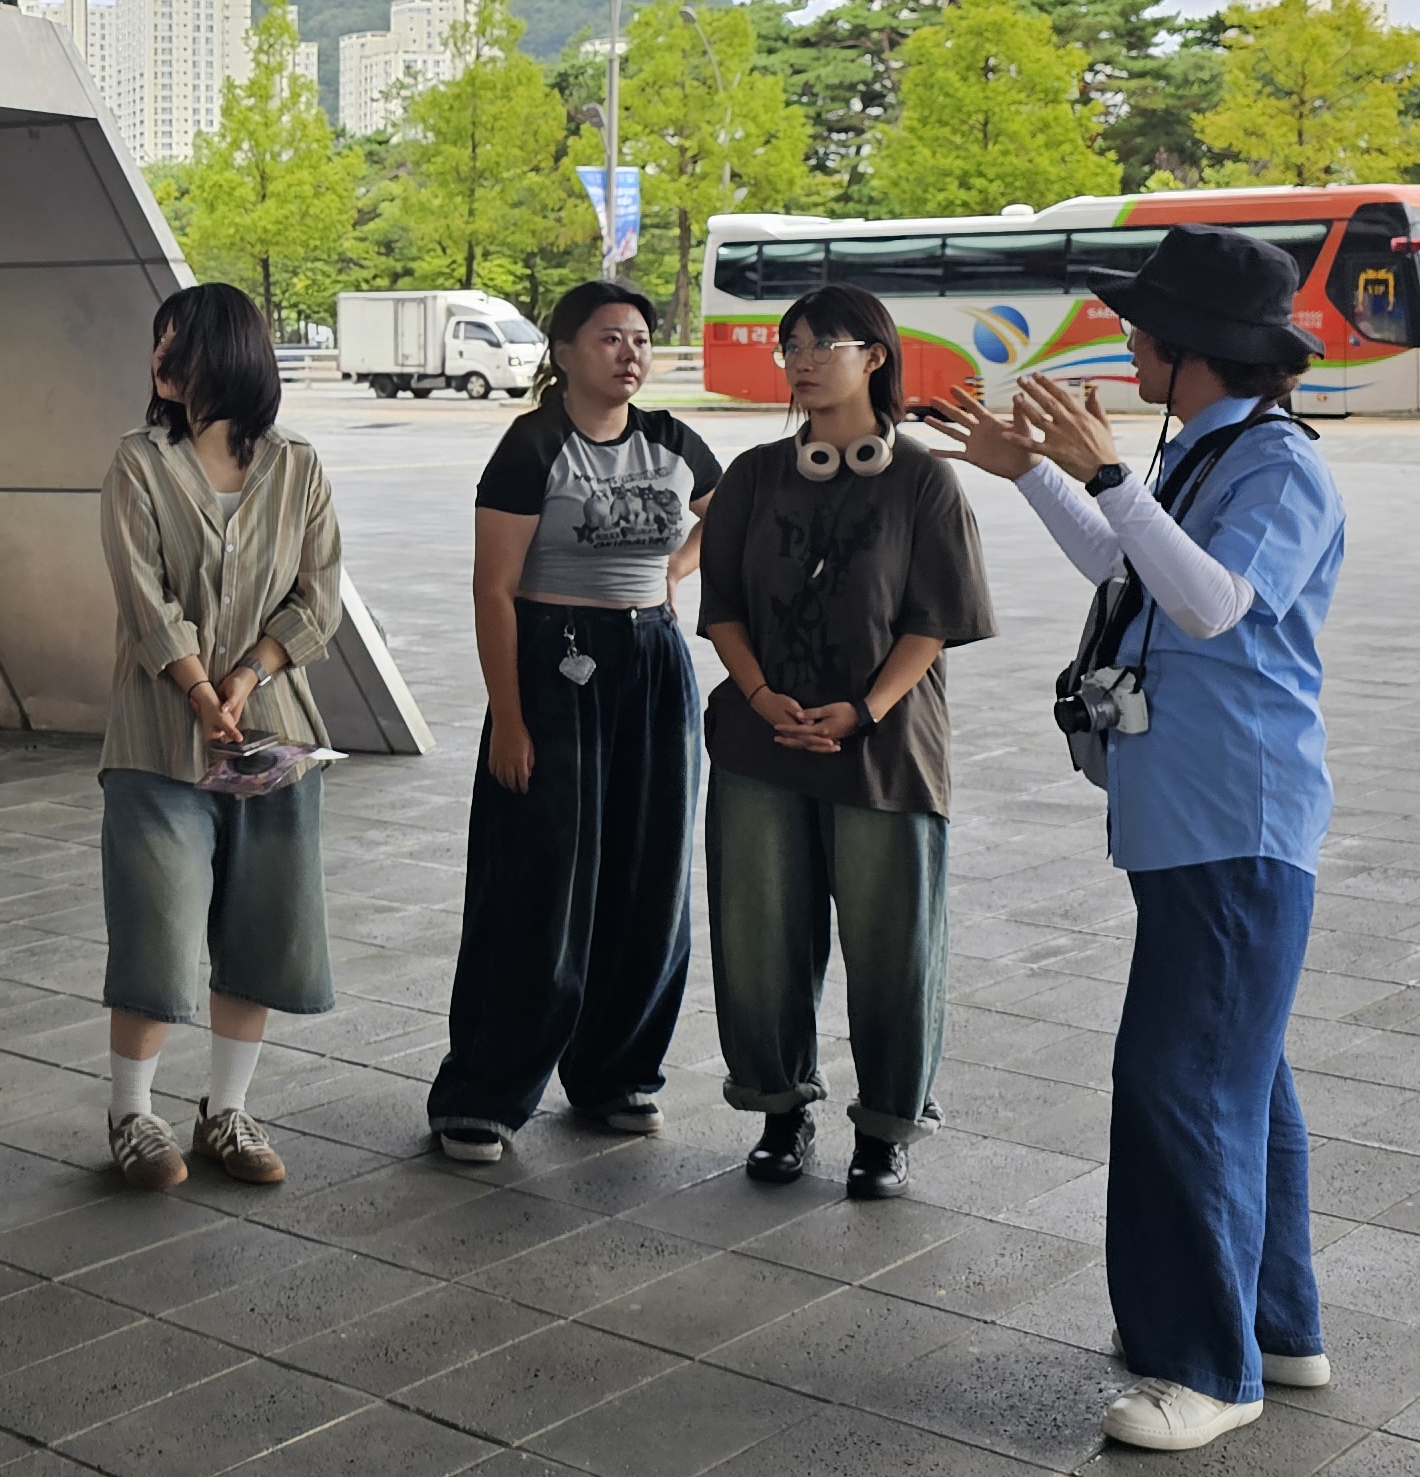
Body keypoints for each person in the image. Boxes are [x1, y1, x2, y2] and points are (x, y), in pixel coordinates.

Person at [924, 225, 1346, 1456]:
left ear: (1190, 345)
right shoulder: (1212, 448)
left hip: (1236, 821)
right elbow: (1129, 562)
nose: (1126, 342)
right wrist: (1032, 472)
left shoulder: (1278, 465)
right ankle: (1273, 1323)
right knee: (1240, 1073)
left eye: (1140, 326)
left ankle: (1201, 1367)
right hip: (1194, 817)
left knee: (1179, 1079)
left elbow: (1210, 604)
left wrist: (1106, 468)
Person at [695, 285, 994, 1205]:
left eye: (825, 342)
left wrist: (862, 710)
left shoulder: (923, 481)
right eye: (791, 344)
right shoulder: (753, 476)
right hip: (761, 743)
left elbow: (933, 620)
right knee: (759, 938)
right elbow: (722, 607)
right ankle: (780, 1109)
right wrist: (760, 697)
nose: (803, 358)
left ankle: (886, 1128)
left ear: (876, 356)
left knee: (893, 943)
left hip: (885, 750)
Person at [424, 280, 720, 1165]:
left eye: (641, 339)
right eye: (608, 338)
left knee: (650, 873)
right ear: (563, 353)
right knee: (540, 880)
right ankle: (484, 1093)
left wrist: (674, 572)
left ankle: (616, 1074)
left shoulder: (673, 440)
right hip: (556, 664)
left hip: (654, 663)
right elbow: (492, 591)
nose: (630, 354)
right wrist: (509, 720)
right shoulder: (534, 446)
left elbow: (729, 516)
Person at [95, 282, 347, 1194]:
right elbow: (144, 598)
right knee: (156, 927)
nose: (160, 359)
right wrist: (202, 690)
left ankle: (226, 1112)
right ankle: (132, 1113)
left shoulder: (299, 466)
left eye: (180, 343)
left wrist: (247, 678)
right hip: (159, 737)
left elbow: (318, 595)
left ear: (230, 354)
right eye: (158, 342)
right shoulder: (139, 462)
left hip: (271, 736)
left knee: (260, 926)